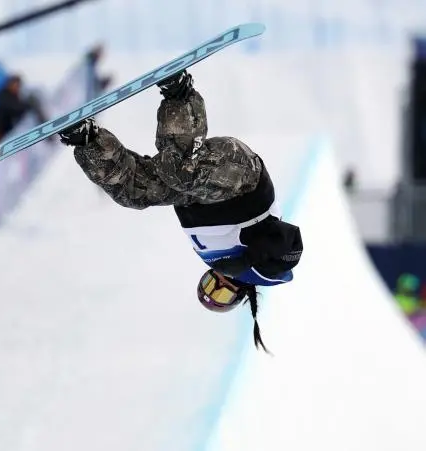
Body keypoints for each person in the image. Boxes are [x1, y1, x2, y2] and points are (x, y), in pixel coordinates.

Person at [58, 70, 303, 353]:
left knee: (133, 193)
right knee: (179, 173)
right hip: (240, 176)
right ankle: (180, 94)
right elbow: (291, 243)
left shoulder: (212, 256)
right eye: (222, 292)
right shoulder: (264, 272)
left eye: (209, 285)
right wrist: (248, 260)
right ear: (242, 292)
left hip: (194, 192)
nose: (217, 283)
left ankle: (86, 138)